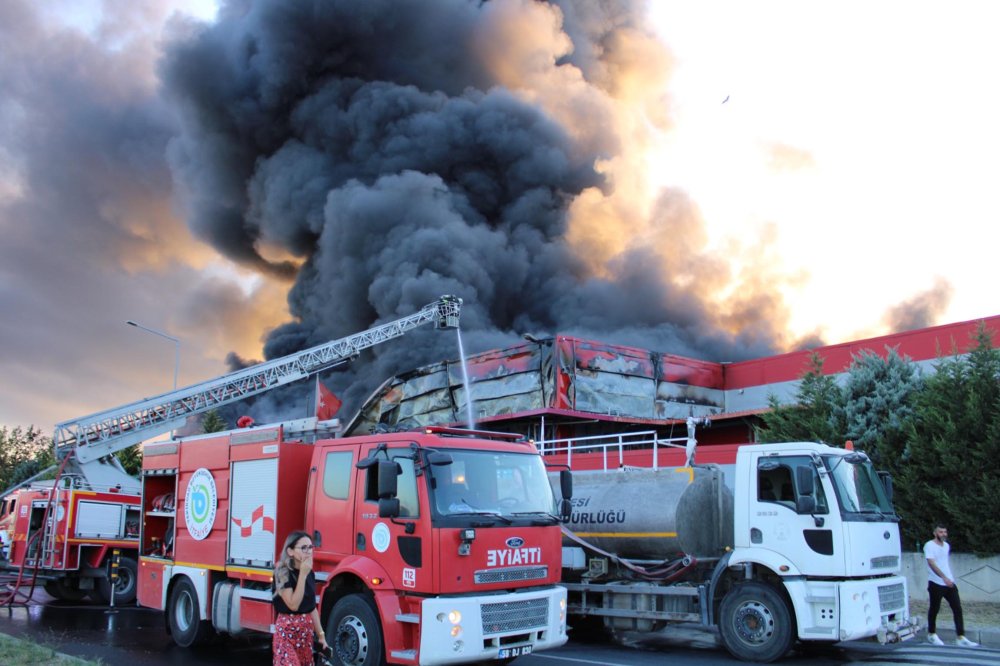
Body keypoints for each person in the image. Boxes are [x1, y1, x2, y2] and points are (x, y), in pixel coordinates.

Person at [273, 531, 328, 664]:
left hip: (305, 635)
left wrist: (321, 636)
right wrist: (302, 575)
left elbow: (311, 607)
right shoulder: (282, 572)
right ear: (290, 551)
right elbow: (293, 604)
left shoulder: (310, 573)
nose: (308, 551)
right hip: (286, 632)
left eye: (310, 547)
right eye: (303, 548)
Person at [924, 524, 979, 647]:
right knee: (934, 609)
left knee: (957, 608)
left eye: (945, 532)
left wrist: (949, 579)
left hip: (949, 583)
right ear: (935, 533)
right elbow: (932, 564)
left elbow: (944, 563)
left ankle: (961, 637)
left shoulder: (946, 546)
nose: (943, 534)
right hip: (936, 583)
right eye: (940, 532)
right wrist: (943, 577)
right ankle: (931, 634)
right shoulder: (929, 545)